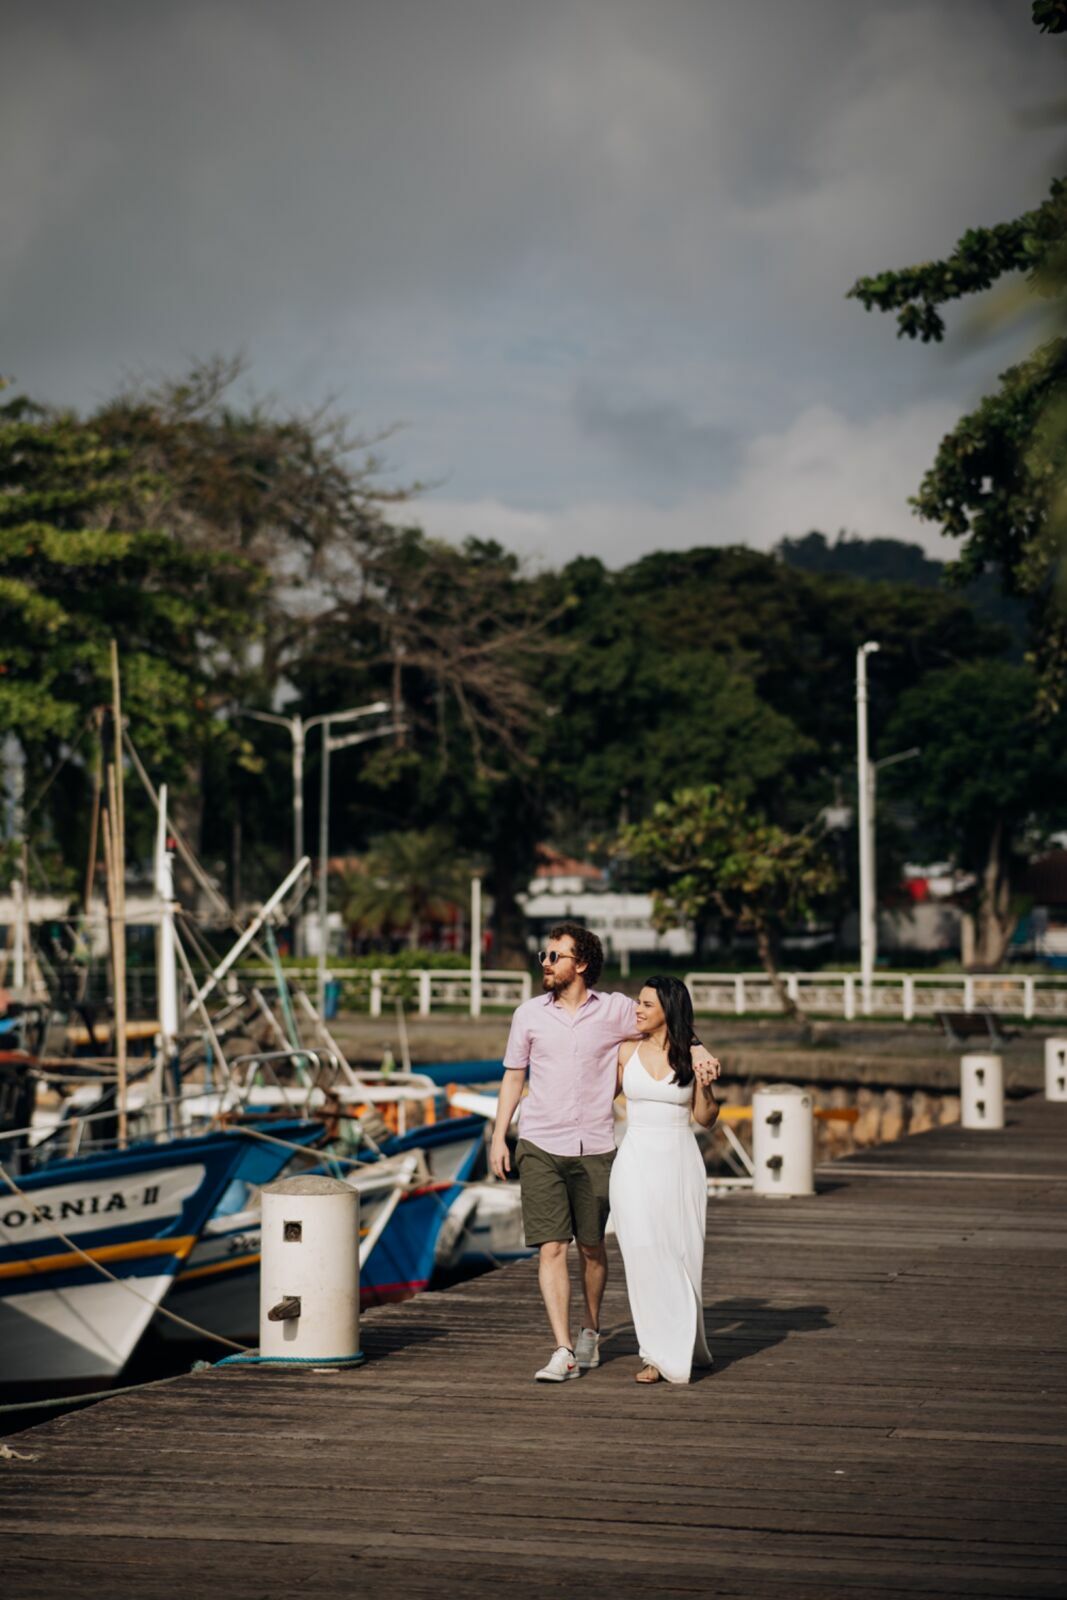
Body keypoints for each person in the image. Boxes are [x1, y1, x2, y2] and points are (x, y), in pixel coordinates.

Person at [489, 924, 720, 1383]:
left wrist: (698, 1050)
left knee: (593, 1248)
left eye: (556, 956)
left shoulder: (619, 1010)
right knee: (551, 1246)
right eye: (545, 955)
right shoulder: (528, 1015)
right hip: (539, 1142)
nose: (547, 963)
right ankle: (562, 1350)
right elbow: (514, 1076)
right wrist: (501, 1136)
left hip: (595, 1145)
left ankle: (592, 1329)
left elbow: (671, 1021)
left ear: (582, 964)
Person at [610, 975, 719, 1384]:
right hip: (634, 1160)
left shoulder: (692, 1057)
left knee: (682, 1254)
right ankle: (654, 1354)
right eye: (638, 1003)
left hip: (680, 1162)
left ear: (668, 1011)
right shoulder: (625, 1051)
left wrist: (705, 1085)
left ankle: (687, 1342)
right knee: (642, 1255)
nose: (637, 1010)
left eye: (646, 1005)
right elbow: (601, 1098)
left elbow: (706, 1118)